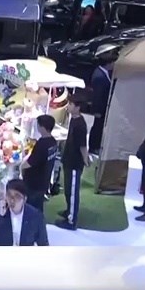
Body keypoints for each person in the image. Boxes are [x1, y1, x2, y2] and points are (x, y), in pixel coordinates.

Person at [57, 98, 89, 230]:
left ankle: (72, 221)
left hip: (75, 163)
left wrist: (85, 159)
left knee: (72, 191)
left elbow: (82, 146)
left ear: (78, 107)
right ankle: (69, 211)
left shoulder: (80, 124)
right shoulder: (73, 119)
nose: (68, 106)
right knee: (68, 189)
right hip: (68, 160)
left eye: (70, 104)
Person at [21, 115, 59, 213]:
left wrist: (21, 166)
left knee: (32, 208)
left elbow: (30, 163)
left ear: (42, 127)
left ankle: (34, 222)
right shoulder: (53, 142)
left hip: (34, 183)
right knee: (38, 206)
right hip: (44, 180)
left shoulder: (42, 144)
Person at [88, 61, 113, 155]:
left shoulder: (104, 74)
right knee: (97, 127)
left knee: (99, 127)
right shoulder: (99, 76)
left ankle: (95, 146)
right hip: (100, 107)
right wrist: (97, 110)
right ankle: (94, 147)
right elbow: (98, 95)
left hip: (103, 107)